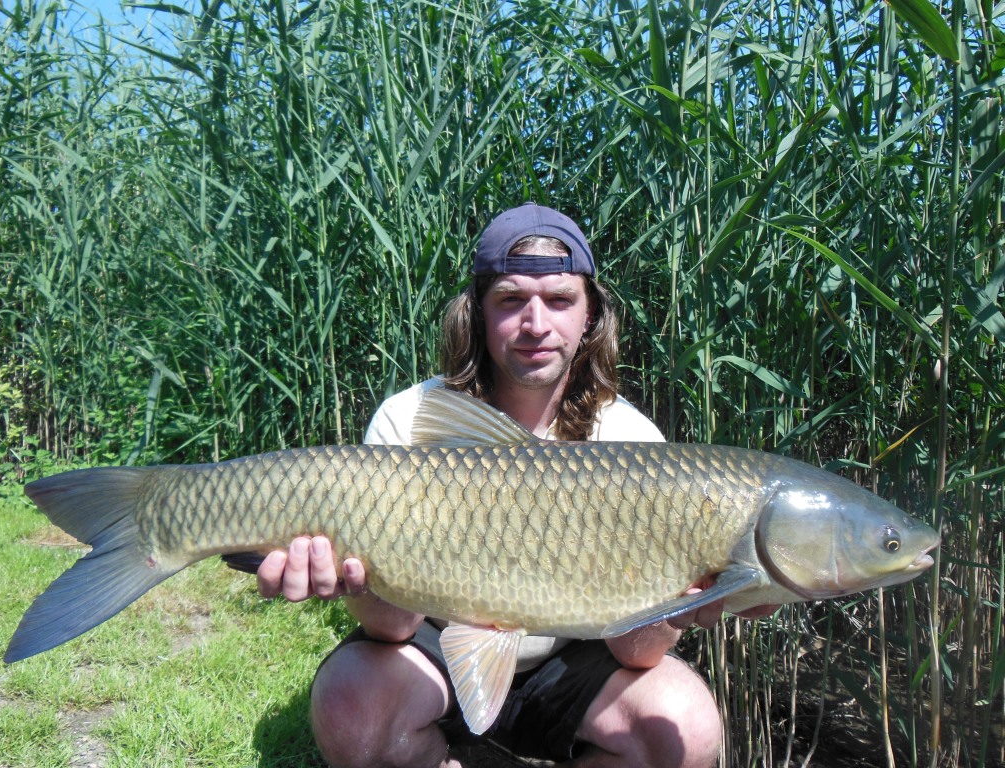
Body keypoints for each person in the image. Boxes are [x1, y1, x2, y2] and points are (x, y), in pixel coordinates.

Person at [257, 203, 755, 768]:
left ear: (590, 314)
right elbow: (392, 625)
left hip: (570, 659)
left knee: (682, 726)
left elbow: (635, 655)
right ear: (478, 315)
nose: (536, 324)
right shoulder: (411, 421)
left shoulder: (631, 441)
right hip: (435, 643)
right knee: (354, 705)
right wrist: (354, 579)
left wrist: (672, 609)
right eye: (511, 300)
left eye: (561, 300)